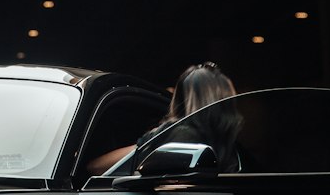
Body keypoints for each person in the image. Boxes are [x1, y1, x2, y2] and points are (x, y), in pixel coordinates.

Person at [88, 61, 239, 174]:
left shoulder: (179, 133)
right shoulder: (228, 146)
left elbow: (95, 167)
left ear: (181, 98)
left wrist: (152, 138)